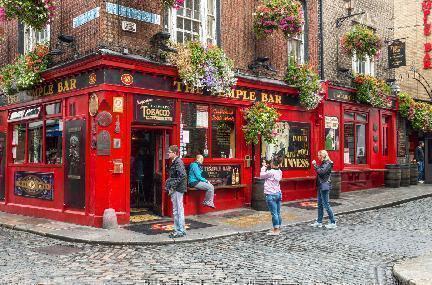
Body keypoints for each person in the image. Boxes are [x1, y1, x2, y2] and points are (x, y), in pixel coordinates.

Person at [310, 150, 337, 229]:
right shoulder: (324, 163)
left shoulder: (328, 163)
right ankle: (319, 221)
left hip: (324, 186)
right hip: (320, 186)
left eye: (319, 155)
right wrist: (317, 166)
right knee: (320, 204)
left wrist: (315, 165)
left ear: (323, 156)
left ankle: (333, 222)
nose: (318, 157)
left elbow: (321, 172)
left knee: (326, 204)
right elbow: (320, 171)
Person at [166, 145, 187, 238]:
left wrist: (173, 186)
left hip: (178, 189)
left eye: (169, 151)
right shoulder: (175, 162)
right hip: (177, 188)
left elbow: (182, 176)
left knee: (178, 209)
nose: (168, 153)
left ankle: (180, 230)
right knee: (176, 210)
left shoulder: (178, 162)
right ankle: (178, 229)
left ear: (174, 153)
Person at [260, 157, 283, 235]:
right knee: (278, 213)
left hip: (271, 194)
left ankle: (276, 230)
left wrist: (263, 167)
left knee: (274, 213)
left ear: (273, 163)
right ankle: (278, 227)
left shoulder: (271, 172)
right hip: (278, 193)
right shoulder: (280, 171)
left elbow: (261, 176)